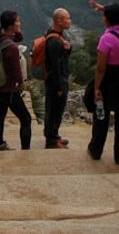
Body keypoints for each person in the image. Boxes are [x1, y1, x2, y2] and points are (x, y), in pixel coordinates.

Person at [86, 0, 119, 165]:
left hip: (109, 81)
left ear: (108, 19)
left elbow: (101, 68)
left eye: (104, 16)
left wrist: (96, 88)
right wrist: (102, 8)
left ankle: (96, 150)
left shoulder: (106, 39)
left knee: (101, 115)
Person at [0, 10, 32, 151]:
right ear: (10, 26)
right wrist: (21, 85)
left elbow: (19, 37)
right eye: (17, 21)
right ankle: (25, 150)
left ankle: (0, 143)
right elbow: (16, 71)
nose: (19, 23)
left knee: (0, 114)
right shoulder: (12, 48)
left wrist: (15, 30)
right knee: (26, 119)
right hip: (10, 89)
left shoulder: (0, 38)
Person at [43, 8, 73, 149]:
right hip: (56, 82)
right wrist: (59, 87)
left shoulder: (57, 36)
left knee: (57, 110)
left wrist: (67, 49)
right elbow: (54, 67)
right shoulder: (54, 41)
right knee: (54, 110)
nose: (69, 21)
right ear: (59, 21)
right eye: (67, 18)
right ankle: (51, 140)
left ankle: (54, 136)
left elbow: (61, 59)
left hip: (58, 80)